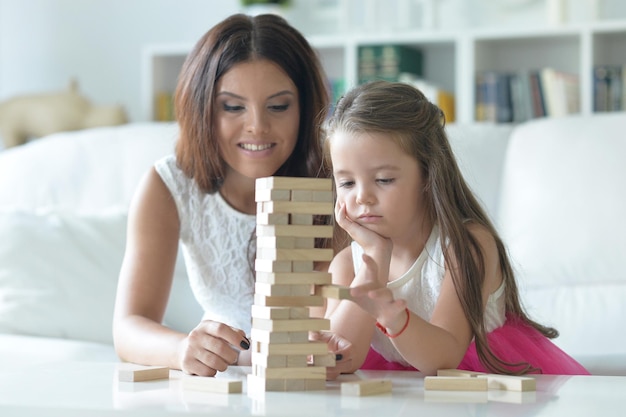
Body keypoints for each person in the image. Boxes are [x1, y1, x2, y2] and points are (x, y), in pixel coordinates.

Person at [113, 13, 350, 377]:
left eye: (278, 106)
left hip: (313, 382)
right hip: (230, 382)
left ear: (306, 108)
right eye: (233, 106)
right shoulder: (169, 185)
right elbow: (129, 327)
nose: (257, 125)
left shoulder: (340, 181)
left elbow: (342, 317)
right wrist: (182, 350)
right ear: (203, 107)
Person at [322, 80, 590, 376]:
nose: (361, 197)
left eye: (383, 179)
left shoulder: (467, 246)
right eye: (346, 182)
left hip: (477, 385)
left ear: (427, 174)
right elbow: (338, 359)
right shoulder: (347, 264)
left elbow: (444, 357)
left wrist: (390, 314)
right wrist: (372, 266)